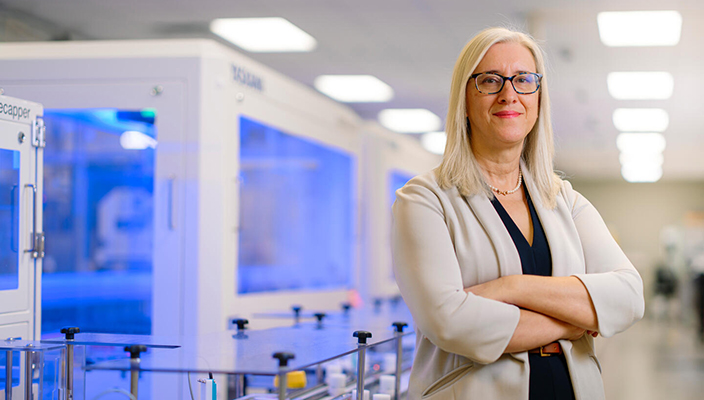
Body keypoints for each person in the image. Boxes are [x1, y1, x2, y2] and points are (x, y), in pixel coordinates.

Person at [391, 27, 644, 400]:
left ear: (539, 97)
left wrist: (512, 287)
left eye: (524, 79)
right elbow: (449, 321)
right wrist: (574, 321)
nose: (509, 93)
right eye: (490, 80)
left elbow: (629, 295)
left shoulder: (564, 200)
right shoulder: (425, 200)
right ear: (464, 97)